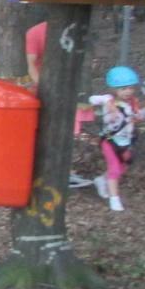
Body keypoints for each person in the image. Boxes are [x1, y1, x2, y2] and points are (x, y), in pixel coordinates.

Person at [25, 19, 94, 190]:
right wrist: (47, 88)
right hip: (45, 92)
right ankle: (40, 173)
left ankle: (64, 172)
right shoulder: (35, 32)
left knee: (67, 131)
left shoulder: (77, 29)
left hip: (70, 89)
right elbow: (31, 65)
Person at [89, 67, 145, 212]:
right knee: (114, 168)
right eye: (123, 89)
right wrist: (108, 103)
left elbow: (138, 116)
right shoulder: (109, 100)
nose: (128, 91)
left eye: (130, 88)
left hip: (126, 142)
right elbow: (92, 99)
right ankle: (114, 199)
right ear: (114, 89)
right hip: (110, 140)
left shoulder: (132, 103)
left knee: (123, 167)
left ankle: (102, 180)